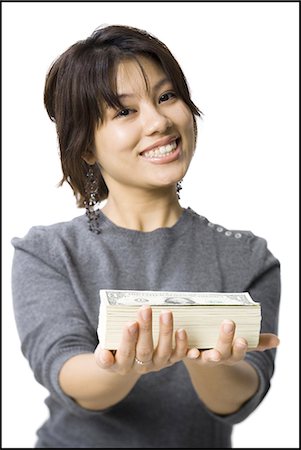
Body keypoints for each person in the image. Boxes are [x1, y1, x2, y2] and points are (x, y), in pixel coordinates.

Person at [11, 24, 281, 448]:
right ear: (85, 147)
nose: (159, 121)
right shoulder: (47, 252)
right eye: (124, 111)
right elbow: (65, 372)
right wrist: (125, 365)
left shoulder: (246, 255)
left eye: (166, 96)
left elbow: (243, 395)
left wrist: (207, 362)